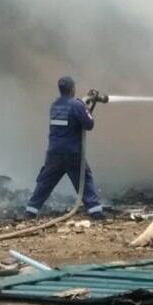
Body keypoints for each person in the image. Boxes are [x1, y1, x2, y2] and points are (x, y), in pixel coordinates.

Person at [25, 76, 105, 220]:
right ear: (72, 89)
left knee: (45, 182)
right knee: (84, 180)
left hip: (54, 153)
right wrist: (87, 105)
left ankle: (30, 211)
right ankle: (96, 212)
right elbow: (89, 124)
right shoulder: (77, 105)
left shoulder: (55, 105)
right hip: (72, 153)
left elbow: (78, 117)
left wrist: (87, 104)